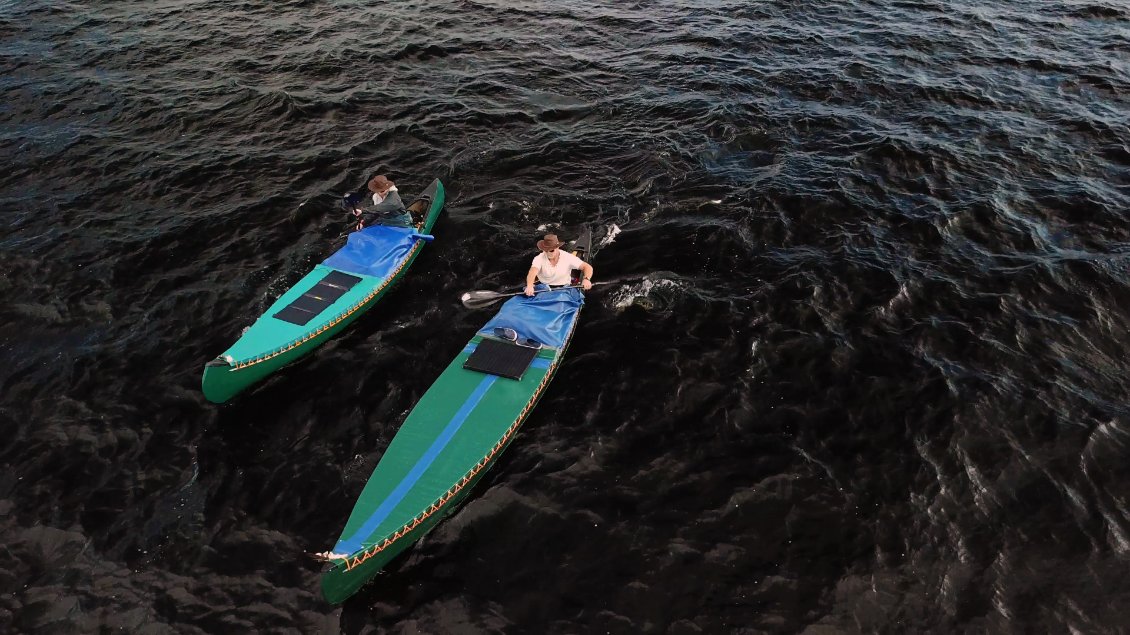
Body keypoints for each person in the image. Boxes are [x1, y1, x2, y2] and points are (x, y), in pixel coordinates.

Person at [524, 233, 594, 296]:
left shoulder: (567, 257)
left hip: (564, 290)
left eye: (551, 250)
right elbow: (532, 272)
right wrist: (529, 285)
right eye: (546, 250)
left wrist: (586, 279)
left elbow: (587, 267)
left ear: (557, 248)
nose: (548, 253)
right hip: (544, 289)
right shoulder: (539, 258)